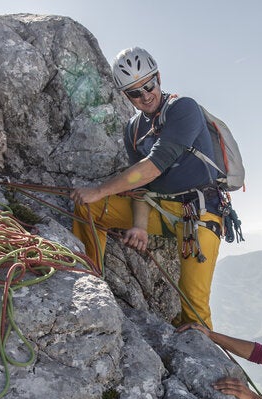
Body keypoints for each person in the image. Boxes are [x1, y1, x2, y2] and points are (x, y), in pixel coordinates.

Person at [71, 46, 225, 328]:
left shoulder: (184, 109)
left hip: (200, 213)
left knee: (194, 307)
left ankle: (205, 348)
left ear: (159, 78)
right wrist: (139, 226)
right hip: (162, 209)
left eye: (149, 85)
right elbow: (143, 187)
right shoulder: (133, 129)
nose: (145, 96)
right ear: (125, 95)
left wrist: (100, 189)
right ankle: (91, 279)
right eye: (134, 92)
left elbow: (154, 166)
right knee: (89, 207)